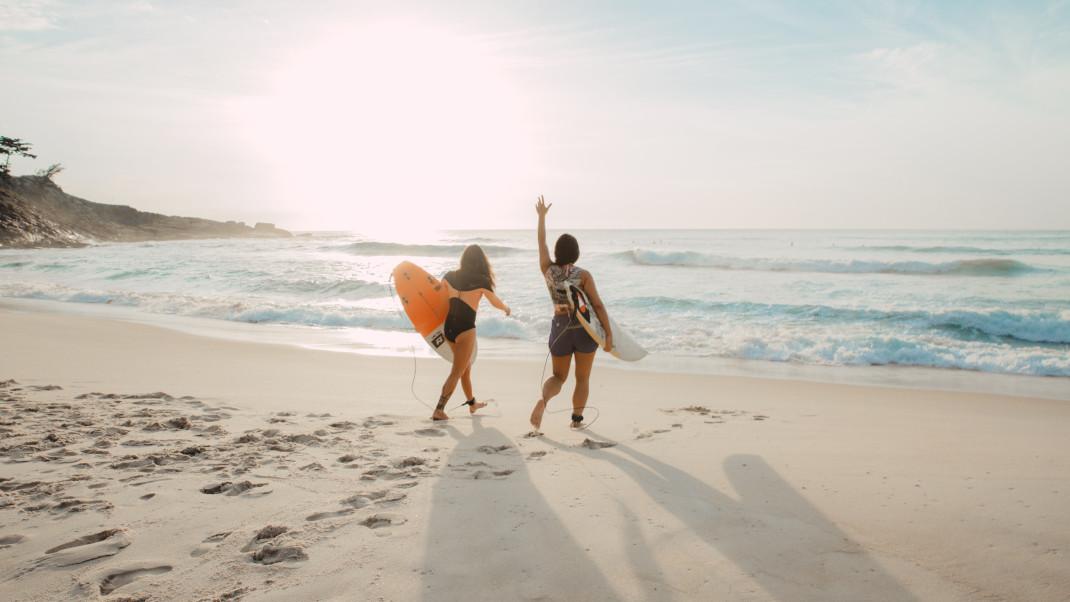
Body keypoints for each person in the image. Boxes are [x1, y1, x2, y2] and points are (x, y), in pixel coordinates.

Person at [529, 196, 613, 432]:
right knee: (582, 378)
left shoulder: (548, 270)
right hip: (584, 330)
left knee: (558, 377)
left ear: (557, 252)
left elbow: (541, 243)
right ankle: (576, 420)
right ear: (576, 253)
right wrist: (608, 335)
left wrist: (542, 217)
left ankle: (543, 401)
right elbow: (597, 305)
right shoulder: (583, 274)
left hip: (560, 327)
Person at [433, 244, 511, 421]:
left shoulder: (449, 275)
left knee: (464, 369)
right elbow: (495, 302)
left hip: (449, 328)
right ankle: (439, 409)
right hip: (465, 330)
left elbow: (436, 291)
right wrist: (506, 308)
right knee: (456, 371)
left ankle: (472, 404)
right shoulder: (481, 280)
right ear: (481, 261)